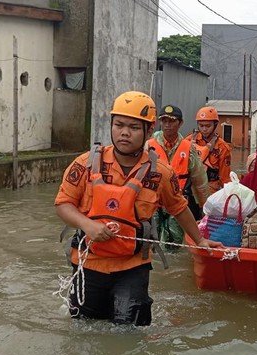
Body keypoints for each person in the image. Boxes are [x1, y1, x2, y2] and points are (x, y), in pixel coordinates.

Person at [54, 91, 222, 326]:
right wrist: (87, 225)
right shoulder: (85, 163)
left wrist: (201, 240)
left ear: (148, 130)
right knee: (84, 327)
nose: (124, 132)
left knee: (129, 329)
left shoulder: (160, 172)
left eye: (133, 127)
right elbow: (63, 204)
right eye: (119, 125)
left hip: (132, 265)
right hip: (88, 262)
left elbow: (179, 208)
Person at [147, 105, 209, 248]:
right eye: (164, 121)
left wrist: (204, 208)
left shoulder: (188, 148)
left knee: (174, 243)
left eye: (172, 121)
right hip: (152, 202)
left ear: (180, 123)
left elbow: (200, 181)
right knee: (149, 243)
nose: (167, 125)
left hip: (176, 202)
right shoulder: (148, 145)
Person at [186, 106, 232, 193]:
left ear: (215, 125)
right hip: (190, 185)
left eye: (208, 126)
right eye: (201, 126)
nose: (204, 129)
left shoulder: (222, 147)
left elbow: (225, 177)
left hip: (211, 188)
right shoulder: (189, 141)